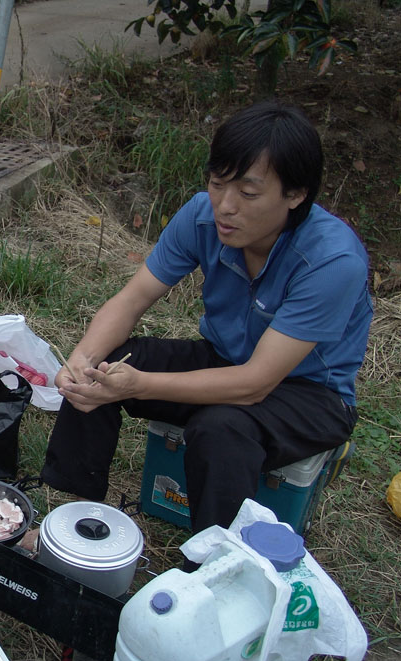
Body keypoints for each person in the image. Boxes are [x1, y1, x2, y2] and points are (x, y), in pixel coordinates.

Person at [41, 101, 372, 540]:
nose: (225, 207)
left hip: (311, 394)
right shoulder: (201, 216)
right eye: (218, 184)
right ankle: (66, 516)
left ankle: (217, 562)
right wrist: (81, 360)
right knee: (105, 363)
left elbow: (255, 383)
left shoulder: (332, 261)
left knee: (220, 427)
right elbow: (131, 300)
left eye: (248, 194)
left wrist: (138, 385)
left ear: (295, 195)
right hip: (225, 359)